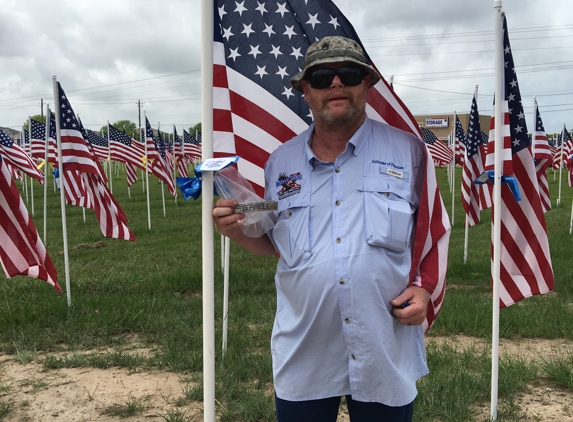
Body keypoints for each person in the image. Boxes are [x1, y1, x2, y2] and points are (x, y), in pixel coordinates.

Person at [212, 36, 440, 422]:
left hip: (383, 345)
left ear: (365, 83)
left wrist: (425, 288)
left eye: (348, 74)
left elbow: (432, 233)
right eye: (321, 77)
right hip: (305, 352)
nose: (336, 84)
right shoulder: (280, 162)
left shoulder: (410, 152)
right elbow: (273, 237)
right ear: (305, 90)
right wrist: (235, 229)